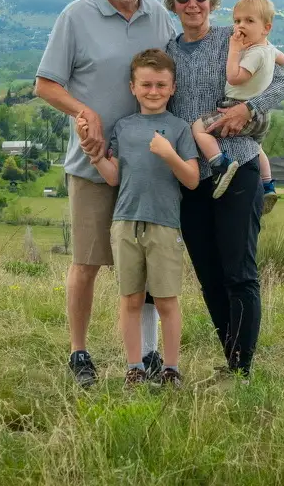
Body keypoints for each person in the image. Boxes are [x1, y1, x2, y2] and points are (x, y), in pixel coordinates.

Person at [33, 0, 176, 388]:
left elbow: (174, 78)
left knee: (151, 264)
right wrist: (84, 112)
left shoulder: (159, 16)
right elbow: (45, 84)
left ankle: (150, 355)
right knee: (87, 261)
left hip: (149, 165)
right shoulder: (75, 16)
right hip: (94, 162)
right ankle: (79, 353)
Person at [163, 0, 284, 379]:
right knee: (209, 274)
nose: (193, 4)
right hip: (191, 176)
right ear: (173, 4)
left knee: (239, 271)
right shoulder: (167, 53)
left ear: (212, 1)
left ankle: (241, 368)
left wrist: (248, 108)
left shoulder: (235, 38)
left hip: (240, 166)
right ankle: (231, 356)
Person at [78, 49, 199, 388]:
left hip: (164, 223)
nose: (153, 91)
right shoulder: (124, 128)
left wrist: (169, 153)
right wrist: (93, 152)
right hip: (126, 221)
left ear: (173, 88)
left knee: (165, 299)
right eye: (146, 85)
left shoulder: (179, 129)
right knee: (131, 298)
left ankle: (171, 368)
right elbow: (114, 176)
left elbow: (191, 178)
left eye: (161, 85)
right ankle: (134, 367)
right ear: (133, 87)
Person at [190, 0, 284, 213]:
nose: (241, 26)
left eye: (249, 21)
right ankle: (268, 184)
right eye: (237, 21)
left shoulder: (254, 54)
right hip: (262, 116)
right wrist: (269, 52)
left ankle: (219, 164)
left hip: (240, 107)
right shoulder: (269, 49)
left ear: (266, 28)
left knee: (198, 128)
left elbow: (235, 78)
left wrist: (235, 50)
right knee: (257, 148)